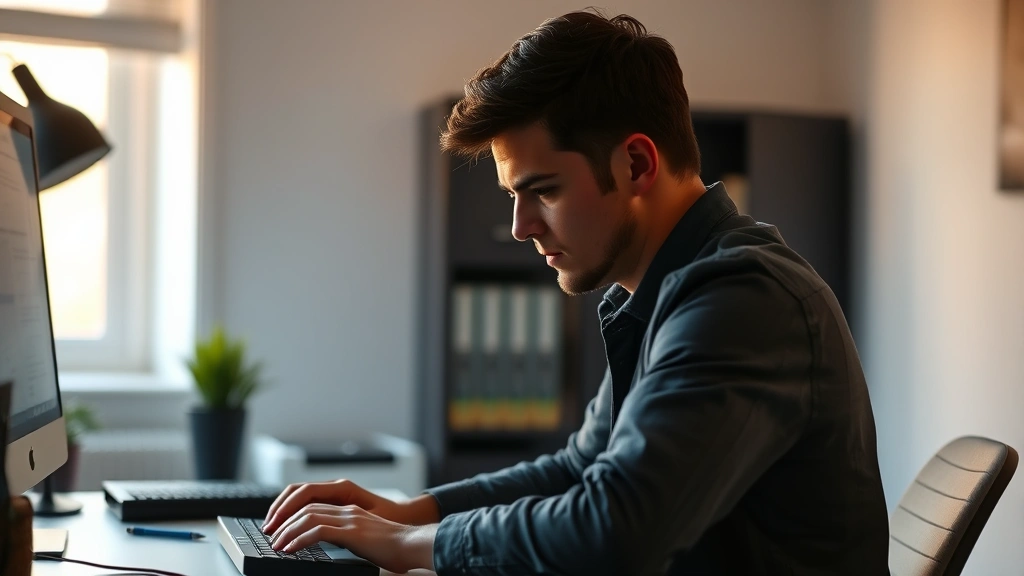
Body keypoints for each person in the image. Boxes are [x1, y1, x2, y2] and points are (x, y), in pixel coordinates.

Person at [261, 10, 890, 575]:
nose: (520, 227)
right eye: (515, 195)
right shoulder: (664, 293)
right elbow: (579, 468)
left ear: (637, 164)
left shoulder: (744, 299)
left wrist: (410, 546)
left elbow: (615, 531)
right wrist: (409, 513)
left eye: (546, 190)